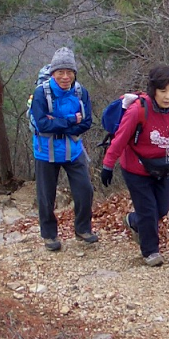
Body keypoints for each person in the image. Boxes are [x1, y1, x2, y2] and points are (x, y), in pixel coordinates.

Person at [100, 65, 169, 267]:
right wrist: (108, 165)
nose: (167, 96)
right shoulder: (138, 110)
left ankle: (133, 221)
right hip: (136, 169)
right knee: (148, 211)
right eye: (163, 91)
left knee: (161, 209)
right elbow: (120, 140)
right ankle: (150, 252)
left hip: (163, 167)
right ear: (153, 90)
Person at [30, 47, 98, 251]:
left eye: (69, 72)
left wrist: (59, 123)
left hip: (73, 149)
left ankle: (83, 229)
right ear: (53, 73)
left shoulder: (80, 92)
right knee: (46, 195)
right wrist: (69, 120)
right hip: (46, 151)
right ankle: (49, 235)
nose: (65, 77)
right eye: (60, 72)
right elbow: (42, 124)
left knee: (85, 190)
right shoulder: (41, 93)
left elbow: (86, 122)